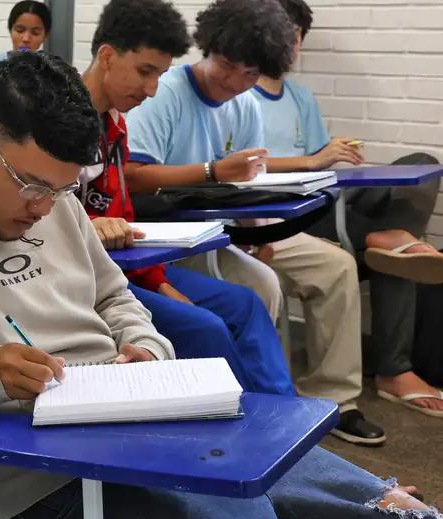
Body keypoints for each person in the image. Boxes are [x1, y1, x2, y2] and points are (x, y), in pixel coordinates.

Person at [0, 48, 443, 519]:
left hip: (155, 432)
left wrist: (145, 347)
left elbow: (115, 299)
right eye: (32, 187)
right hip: (43, 488)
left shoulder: (54, 203)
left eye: (63, 189)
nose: (45, 209)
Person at [123, 0, 382, 445]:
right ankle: (255, 413)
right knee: (256, 289)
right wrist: (212, 172)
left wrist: (260, 227)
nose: (233, 80)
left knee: (294, 275)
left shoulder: (242, 105)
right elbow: (134, 179)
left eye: (248, 74)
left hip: (221, 233)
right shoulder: (164, 92)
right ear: (206, 47)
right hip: (167, 237)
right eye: (226, 65)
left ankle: (305, 409)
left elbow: (248, 182)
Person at [77, 0, 294, 397]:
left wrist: (159, 282)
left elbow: (123, 221)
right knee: (205, 326)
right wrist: (84, 227)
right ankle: (244, 433)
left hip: (126, 266)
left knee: (246, 304)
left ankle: (284, 419)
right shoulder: (59, 121)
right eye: (145, 72)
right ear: (107, 57)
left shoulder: (115, 124)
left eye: (158, 74)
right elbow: (40, 219)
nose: (151, 89)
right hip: (85, 278)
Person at [256, 0, 443, 416]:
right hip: (286, 209)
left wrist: (335, 152)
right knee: (395, 256)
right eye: (283, 34)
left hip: (325, 197)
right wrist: (310, 161)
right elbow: (239, 169)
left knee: (421, 164)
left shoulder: (299, 97)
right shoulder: (237, 93)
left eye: (297, 36)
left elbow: (322, 162)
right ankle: (395, 368)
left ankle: (392, 237)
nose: (291, 44)